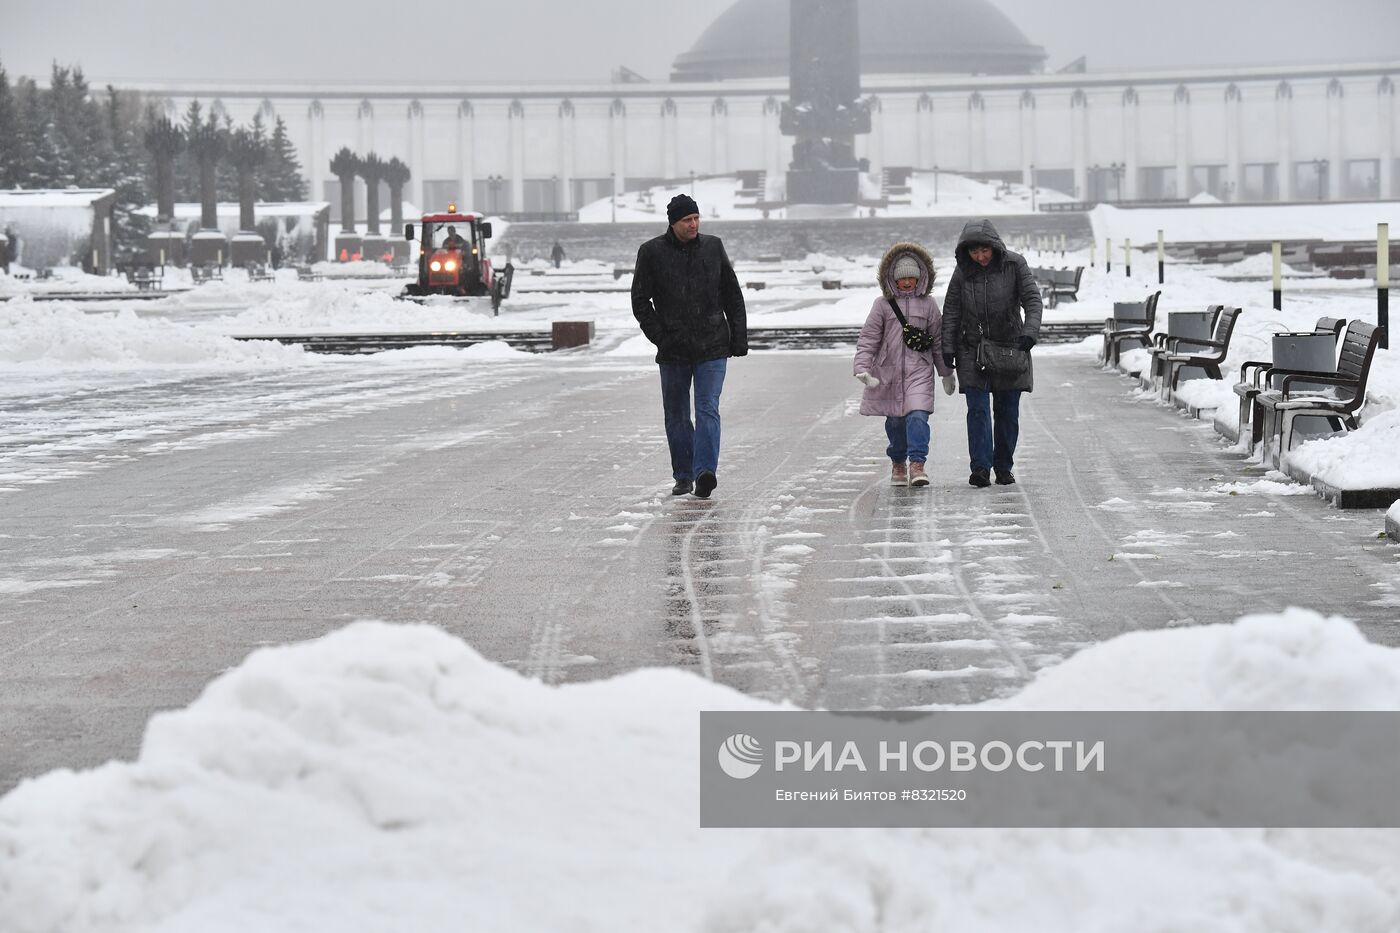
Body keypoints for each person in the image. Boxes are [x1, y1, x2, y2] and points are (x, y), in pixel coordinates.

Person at [631, 193, 747, 499]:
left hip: (712, 344)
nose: (693, 224)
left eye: (696, 218)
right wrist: (661, 336)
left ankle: (705, 472)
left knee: (707, 408)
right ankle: (683, 473)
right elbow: (640, 302)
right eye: (687, 220)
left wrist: (738, 337)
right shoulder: (651, 252)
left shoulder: (713, 247)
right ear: (673, 223)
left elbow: (732, 293)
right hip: (673, 349)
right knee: (677, 414)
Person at [941, 218, 1042, 488]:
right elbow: (951, 310)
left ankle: (1004, 466)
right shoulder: (962, 271)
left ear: (995, 247)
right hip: (972, 350)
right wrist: (948, 347)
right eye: (974, 252)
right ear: (966, 252)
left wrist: (1030, 331)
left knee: (1007, 412)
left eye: (985, 250)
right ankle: (981, 468)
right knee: (977, 410)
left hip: (1010, 348)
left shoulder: (1014, 264)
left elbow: (1032, 300)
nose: (980, 257)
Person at [854, 243, 956, 487]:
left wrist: (945, 372)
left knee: (918, 416)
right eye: (902, 278)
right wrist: (862, 366)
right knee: (896, 421)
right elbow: (869, 337)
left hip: (919, 371)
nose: (908, 282)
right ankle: (898, 461)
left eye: (912, 277)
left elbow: (939, 340)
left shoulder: (929, 304)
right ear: (892, 279)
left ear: (921, 278)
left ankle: (917, 464)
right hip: (888, 373)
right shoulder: (882, 305)